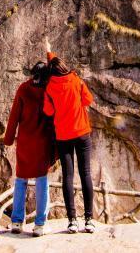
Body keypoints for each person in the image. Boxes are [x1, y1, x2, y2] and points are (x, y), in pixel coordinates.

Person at [42, 40, 96, 234]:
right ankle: (89, 219)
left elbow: (48, 111)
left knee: (68, 176)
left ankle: (72, 220)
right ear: (64, 67)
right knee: (86, 174)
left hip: (63, 136)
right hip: (82, 132)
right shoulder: (76, 80)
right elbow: (88, 100)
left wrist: (48, 52)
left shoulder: (50, 88)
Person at [3, 61, 56, 237]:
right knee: (41, 181)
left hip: (25, 142)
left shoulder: (24, 89)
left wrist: (9, 139)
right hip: (43, 142)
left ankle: (17, 222)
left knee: (21, 180)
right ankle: (39, 224)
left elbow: (14, 116)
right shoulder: (49, 90)